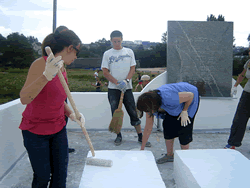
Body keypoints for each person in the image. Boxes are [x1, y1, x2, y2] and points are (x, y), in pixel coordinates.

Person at [19, 26, 84, 188]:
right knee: (42, 177)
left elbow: (58, 99)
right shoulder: (40, 64)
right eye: (77, 52)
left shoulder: (62, 67)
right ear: (70, 48)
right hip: (35, 131)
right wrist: (46, 76)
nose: (76, 57)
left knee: (60, 176)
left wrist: (71, 114)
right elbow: (24, 98)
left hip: (58, 129)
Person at [101, 30, 151, 147]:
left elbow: (132, 68)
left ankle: (140, 136)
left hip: (127, 88)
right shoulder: (107, 54)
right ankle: (118, 135)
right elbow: (105, 71)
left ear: (122, 40)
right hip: (113, 89)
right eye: (114, 41)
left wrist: (127, 81)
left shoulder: (129, 52)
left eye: (119, 41)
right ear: (111, 40)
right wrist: (116, 82)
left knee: (133, 111)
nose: (117, 43)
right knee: (116, 112)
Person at [136, 82, 200, 164]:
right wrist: (142, 148)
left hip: (190, 99)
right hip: (175, 102)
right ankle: (170, 155)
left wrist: (184, 111)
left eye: (147, 111)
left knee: (184, 128)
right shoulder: (149, 104)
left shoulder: (169, 97)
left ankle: (185, 157)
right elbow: (148, 127)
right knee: (168, 127)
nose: (147, 112)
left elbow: (190, 95)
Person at [224, 58, 250, 149]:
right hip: (247, 94)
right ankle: (232, 143)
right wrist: (235, 86)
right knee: (239, 119)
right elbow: (242, 75)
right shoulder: (248, 62)